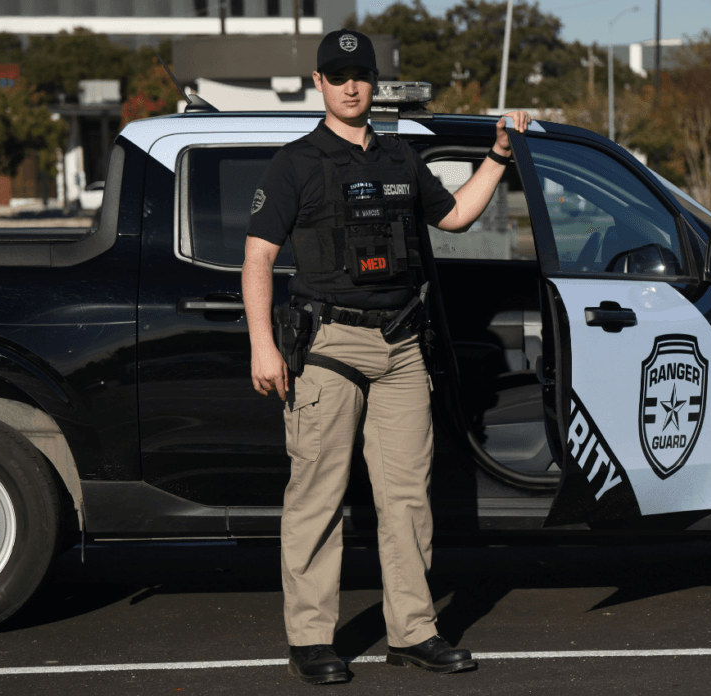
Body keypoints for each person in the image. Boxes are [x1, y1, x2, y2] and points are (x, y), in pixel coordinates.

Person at [242, 28, 530, 686]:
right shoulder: (293, 163)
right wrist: (263, 344)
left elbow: (454, 218)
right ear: (318, 83)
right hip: (329, 348)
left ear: (373, 83)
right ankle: (312, 639)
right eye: (337, 75)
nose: (350, 85)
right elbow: (257, 257)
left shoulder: (401, 159)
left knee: (407, 499)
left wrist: (499, 157)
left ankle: (414, 633)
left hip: (402, 347)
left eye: (360, 75)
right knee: (318, 497)